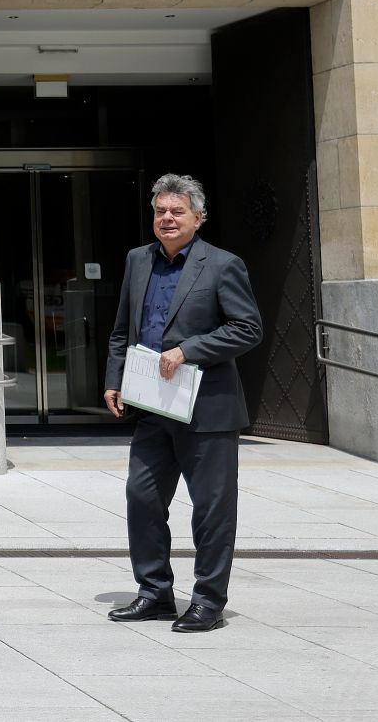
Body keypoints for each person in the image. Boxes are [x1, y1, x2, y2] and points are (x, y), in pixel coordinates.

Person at [103, 173, 263, 633]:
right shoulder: (138, 261)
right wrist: (115, 379)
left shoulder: (222, 265)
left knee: (211, 508)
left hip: (207, 409)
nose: (167, 219)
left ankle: (208, 600)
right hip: (152, 406)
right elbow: (122, 331)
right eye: (160, 211)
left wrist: (188, 349)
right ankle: (154, 593)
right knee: (142, 498)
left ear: (199, 217)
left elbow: (247, 328)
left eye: (177, 211)